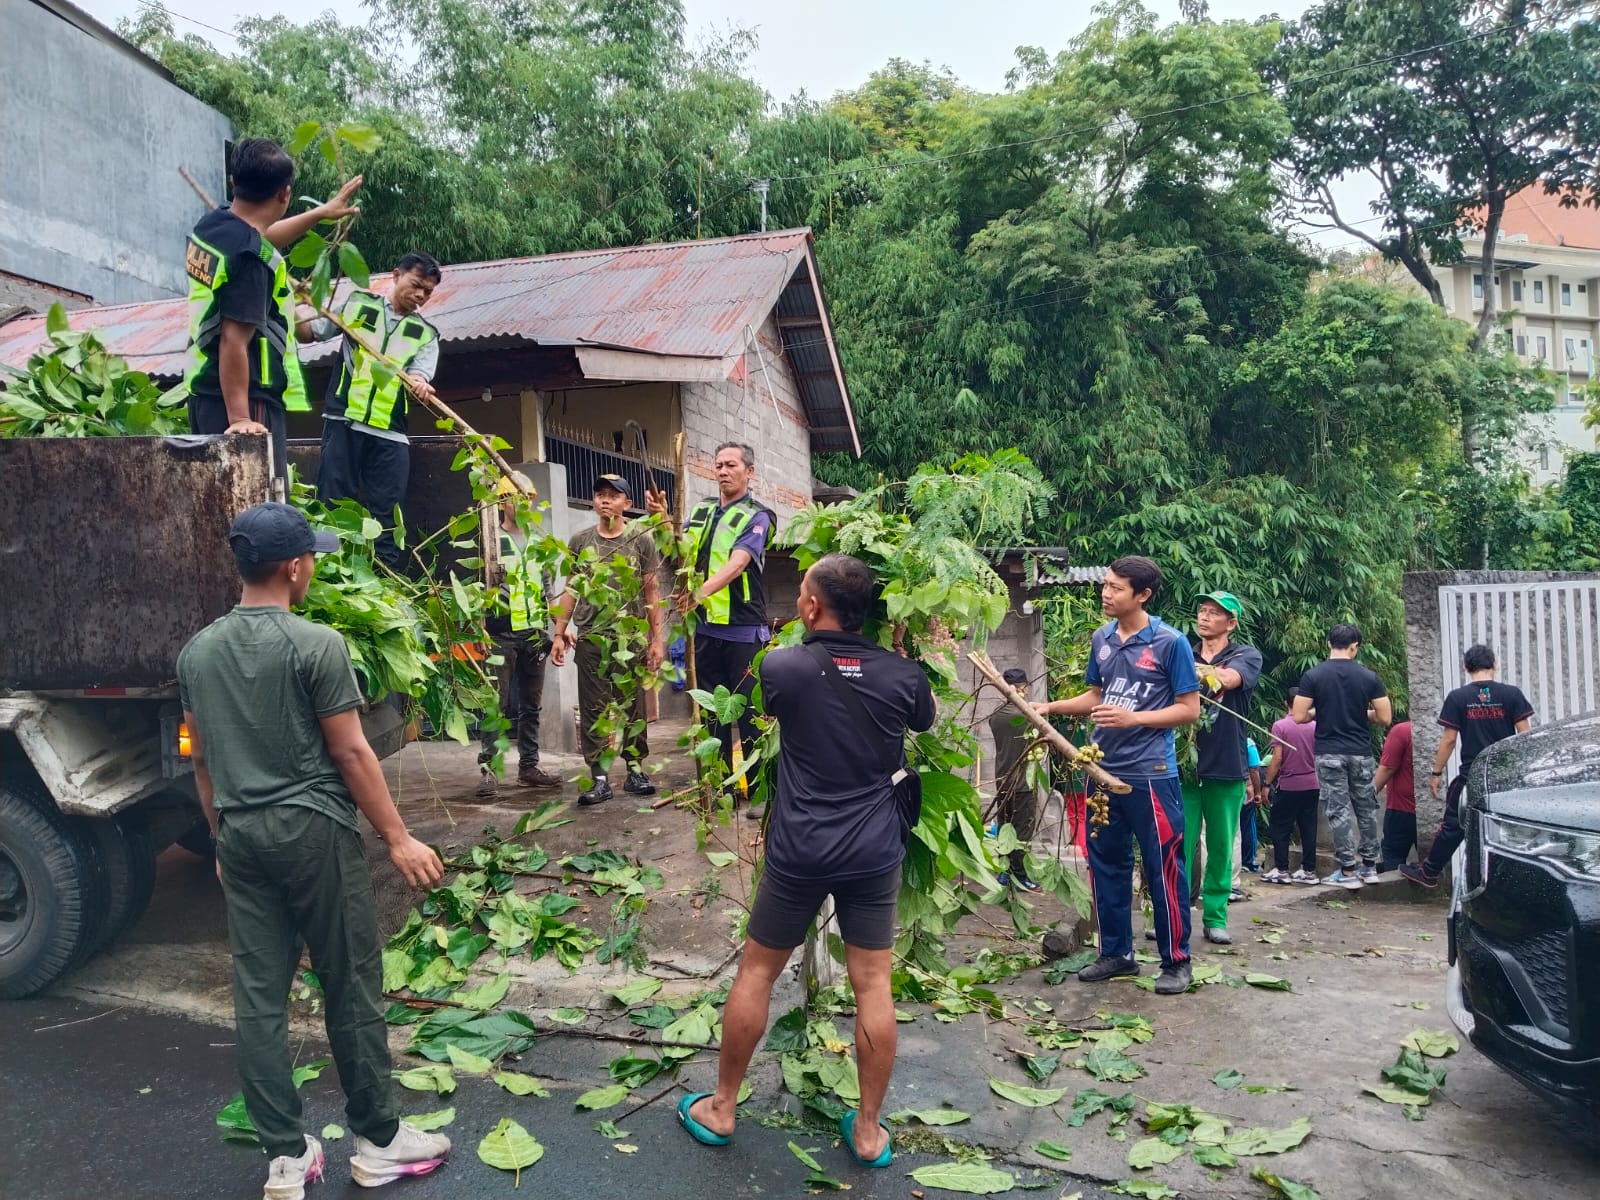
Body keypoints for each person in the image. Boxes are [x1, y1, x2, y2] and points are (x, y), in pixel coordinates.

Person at [177, 502, 449, 1199]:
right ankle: (379, 1140)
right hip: (313, 832)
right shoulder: (316, 643)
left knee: (258, 996)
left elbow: (201, 760)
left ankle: (285, 1158)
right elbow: (351, 751)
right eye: (313, 559)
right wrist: (398, 837)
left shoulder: (197, 652)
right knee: (349, 980)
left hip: (240, 834)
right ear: (295, 567)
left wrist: (219, 838)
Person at [675, 553, 934, 1168]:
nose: (796, 601)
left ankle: (722, 1108)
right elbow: (921, 718)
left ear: (813, 606)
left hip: (800, 849)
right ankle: (867, 1132)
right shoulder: (904, 675)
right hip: (873, 850)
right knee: (873, 984)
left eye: (801, 593)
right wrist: (899, 654)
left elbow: (777, 708)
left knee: (757, 974)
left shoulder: (783, 665)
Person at [1032, 556, 1199, 994]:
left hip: (1151, 774)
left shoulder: (1170, 643)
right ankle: (1116, 954)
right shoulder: (1101, 638)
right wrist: (1049, 707)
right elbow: (1096, 696)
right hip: (1100, 770)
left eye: (1116, 588)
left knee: (1163, 866)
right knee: (1106, 863)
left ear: (1142, 595)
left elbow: (1189, 709)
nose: (1105, 593)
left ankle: (1177, 961)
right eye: (1105, 585)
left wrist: (1135, 719)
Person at [182, 138, 360, 478]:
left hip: (205, 387)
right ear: (284, 193)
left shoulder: (214, 225)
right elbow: (234, 339)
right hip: (247, 397)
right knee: (260, 498)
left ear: (235, 182)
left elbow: (262, 234)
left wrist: (320, 213)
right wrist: (241, 418)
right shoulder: (251, 261)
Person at [655, 442, 776, 817]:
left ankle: (759, 791)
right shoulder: (701, 510)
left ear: (749, 472)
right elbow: (681, 553)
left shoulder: (759, 516)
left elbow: (738, 563)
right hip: (706, 631)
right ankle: (721, 789)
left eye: (731, 465)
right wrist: (663, 521)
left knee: (749, 715)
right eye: (719, 464)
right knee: (712, 715)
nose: (723, 471)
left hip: (744, 631)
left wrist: (699, 593)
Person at [300, 253, 443, 570]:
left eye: (428, 291)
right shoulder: (358, 305)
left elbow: (419, 376)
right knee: (332, 503)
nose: (420, 295)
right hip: (343, 421)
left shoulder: (425, 333)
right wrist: (295, 305)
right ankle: (328, 572)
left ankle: (387, 582)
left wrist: (420, 384)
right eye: (416, 285)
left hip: (391, 432)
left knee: (388, 515)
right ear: (397, 274)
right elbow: (311, 332)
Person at [550, 474, 666, 807]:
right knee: (594, 709)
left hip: (631, 639)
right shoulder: (580, 541)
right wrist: (559, 632)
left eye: (613, 495)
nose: (604, 500)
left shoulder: (641, 539)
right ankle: (599, 779)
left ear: (627, 504)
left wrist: (656, 640)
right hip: (592, 639)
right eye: (600, 494)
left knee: (633, 708)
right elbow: (571, 589)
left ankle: (635, 771)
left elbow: (651, 591)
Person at [1402, 646, 1533, 887]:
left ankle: (1429, 873)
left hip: (1473, 774)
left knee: (1454, 823)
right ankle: (1508, 883)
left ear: (1466, 667)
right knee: (1508, 827)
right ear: (1495, 664)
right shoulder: (1512, 694)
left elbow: (1449, 740)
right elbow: (1525, 736)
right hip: (1505, 776)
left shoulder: (1458, 698)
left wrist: (1436, 773)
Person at [1182, 591, 1262, 942]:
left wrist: (1182, 670)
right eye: (1202, 610)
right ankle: (1172, 913)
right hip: (1183, 764)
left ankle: (1215, 917)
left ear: (1231, 623)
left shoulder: (1246, 656)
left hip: (1227, 764)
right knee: (1177, 844)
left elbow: (1227, 680)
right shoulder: (1184, 651)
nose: (1205, 617)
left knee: (1220, 846)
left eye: (1215, 613)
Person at [477, 473, 560, 796]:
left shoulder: (540, 541)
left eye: (527, 498)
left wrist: (560, 629)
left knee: (531, 705)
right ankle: (489, 770)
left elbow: (549, 590)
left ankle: (529, 767)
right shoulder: (491, 541)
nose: (523, 504)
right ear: (502, 501)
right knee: (495, 706)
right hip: (501, 633)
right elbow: (480, 588)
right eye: (516, 498)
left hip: (535, 633)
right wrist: (480, 629)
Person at [1293, 624, 1391, 889]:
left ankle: (1347, 870)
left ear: (1328, 644)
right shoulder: (1369, 677)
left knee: (1339, 811)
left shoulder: (1313, 676)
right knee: (1366, 809)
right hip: (1360, 753)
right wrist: (1361, 714)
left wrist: (1321, 711)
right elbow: (1384, 717)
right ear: (1354, 646)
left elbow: (1299, 716)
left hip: (1329, 753)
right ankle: (1369, 867)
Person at [990, 667, 1043, 892]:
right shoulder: (1026, 715)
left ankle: (1004, 872)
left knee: (1005, 827)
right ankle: (1020, 877)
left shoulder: (995, 715)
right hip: (1023, 783)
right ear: (1022, 688)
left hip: (1002, 779)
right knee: (1022, 831)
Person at [1262, 690, 1320, 883]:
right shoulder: (1314, 725)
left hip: (1290, 784)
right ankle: (1309, 871)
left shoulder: (1280, 726)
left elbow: (1277, 758)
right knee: (1308, 827)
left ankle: (1282, 870)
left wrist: (1267, 783)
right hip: (1313, 783)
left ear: (1285, 703)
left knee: (1280, 826)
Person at [1375, 717, 1418, 872]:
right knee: (1431, 863)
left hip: (1401, 808)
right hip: (1434, 812)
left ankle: (1393, 886)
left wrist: (1368, 797)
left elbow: (1388, 768)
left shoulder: (1402, 731)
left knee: (1393, 855)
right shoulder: (1449, 734)